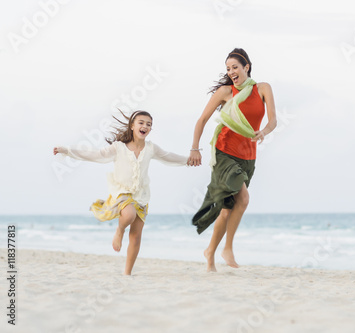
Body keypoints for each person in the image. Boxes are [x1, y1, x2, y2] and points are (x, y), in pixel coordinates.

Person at [54, 110, 190, 275]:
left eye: (149, 124)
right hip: (122, 192)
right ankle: (119, 231)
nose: (145, 126)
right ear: (132, 126)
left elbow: (169, 156)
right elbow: (94, 155)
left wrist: (189, 160)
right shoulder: (118, 147)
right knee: (129, 214)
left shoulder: (151, 148)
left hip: (141, 196)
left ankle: (127, 273)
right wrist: (67, 150)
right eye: (141, 122)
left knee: (136, 236)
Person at [188, 48, 277, 272]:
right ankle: (227, 248)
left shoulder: (263, 89)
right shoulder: (226, 91)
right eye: (228, 69)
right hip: (225, 151)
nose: (231, 72)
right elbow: (202, 120)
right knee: (244, 198)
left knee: (229, 209)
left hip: (249, 155)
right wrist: (195, 149)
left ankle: (210, 252)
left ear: (246, 67)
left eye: (234, 67)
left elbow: (273, 121)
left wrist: (264, 131)